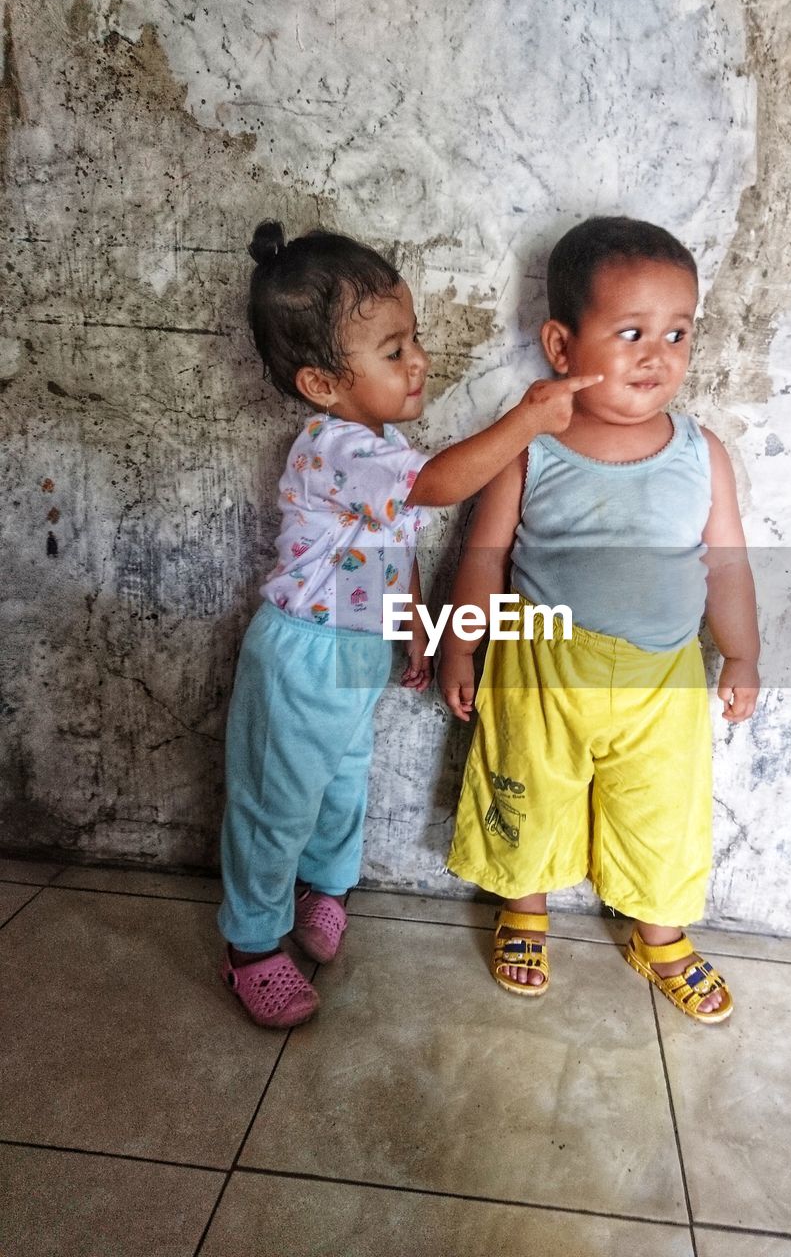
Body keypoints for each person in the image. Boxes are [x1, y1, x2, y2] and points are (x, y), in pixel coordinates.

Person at [219, 220, 601, 1028]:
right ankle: (251, 945)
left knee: (341, 785)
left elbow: (395, 542)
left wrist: (415, 627)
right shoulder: (335, 447)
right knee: (276, 802)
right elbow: (434, 489)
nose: (419, 359)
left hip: (357, 652)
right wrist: (527, 421)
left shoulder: (379, 443)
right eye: (393, 350)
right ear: (323, 383)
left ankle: (325, 890)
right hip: (304, 657)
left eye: (413, 338)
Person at [440, 216, 760, 1023]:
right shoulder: (531, 448)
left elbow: (726, 564)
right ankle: (524, 906)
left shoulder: (701, 452)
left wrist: (743, 655)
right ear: (560, 344)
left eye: (678, 333)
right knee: (529, 789)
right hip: (542, 668)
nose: (659, 354)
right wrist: (459, 648)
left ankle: (660, 934)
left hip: (664, 678)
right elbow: (483, 557)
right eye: (631, 332)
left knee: (662, 809)